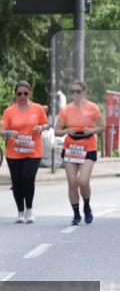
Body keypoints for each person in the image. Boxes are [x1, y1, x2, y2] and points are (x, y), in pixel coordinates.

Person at [0, 80, 50, 224]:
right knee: (17, 182)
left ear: (30, 94)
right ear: (15, 95)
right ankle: (20, 212)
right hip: (14, 152)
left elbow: (46, 123)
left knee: (28, 178)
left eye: (25, 93)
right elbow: (0, 131)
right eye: (19, 93)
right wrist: (9, 132)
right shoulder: (9, 111)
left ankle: (29, 209)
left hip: (33, 151)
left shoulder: (37, 108)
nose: (22, 96)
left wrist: (41, 128)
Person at [54, 81, 105, 225]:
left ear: (84, 92)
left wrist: (92, 130)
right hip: (71, 148)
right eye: (72, 91)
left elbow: (102, 127)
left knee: (83, 181)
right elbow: (57, 131)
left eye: (78, 91)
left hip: (88, 147)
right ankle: (76, 214)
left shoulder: (92, 108)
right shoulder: (66, 110)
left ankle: (87, 206)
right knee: (72, 182)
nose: (75, 94)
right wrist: (66, 131)